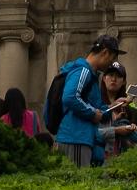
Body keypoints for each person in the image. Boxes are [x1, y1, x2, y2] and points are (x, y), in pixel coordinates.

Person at [48, 34, 121, 167]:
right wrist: (92, 114)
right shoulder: (83, 70)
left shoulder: (91, 75)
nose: (111, 63)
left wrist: (112, 106)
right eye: (112, 58)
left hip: (82, 138)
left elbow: (95, 108)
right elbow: (70, 97)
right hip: (74, 137)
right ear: (105, 52)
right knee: (76, 184)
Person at [100, 64, 137, 158]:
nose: (114, 79)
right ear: (104, 78)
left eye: (118, 76)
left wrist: (132, 129)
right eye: (111, 75)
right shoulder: (94, 105)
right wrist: (116, 130)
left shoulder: (133, 111)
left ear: (124, 81)